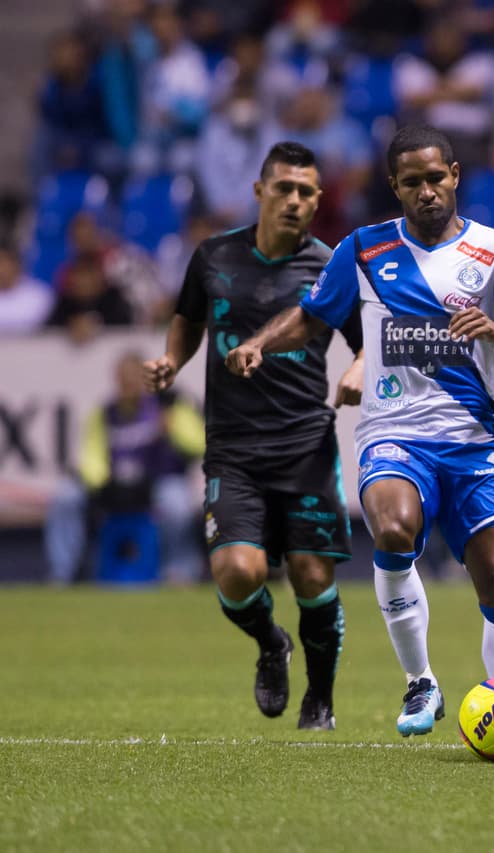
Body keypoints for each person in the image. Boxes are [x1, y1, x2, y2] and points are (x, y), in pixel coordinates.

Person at [225, 125, 494, 738]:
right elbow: (309, 316)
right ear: (395, 187)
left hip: (472, 439)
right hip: (393, 431)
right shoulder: (364, 249)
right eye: (412, 183)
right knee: (394, 527)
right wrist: (259, 343)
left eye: (436, 178)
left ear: (455, 175)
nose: (427, 191)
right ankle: (420, 682)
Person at [143, 141, 363, 731]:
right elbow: (189, 317)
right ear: (260, 190)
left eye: (306, 192)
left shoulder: (331, 264)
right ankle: (271, 641)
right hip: (234, 449)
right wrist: (172, 358)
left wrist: (357, 368)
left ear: (318, 201)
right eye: (284, 188)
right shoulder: (214, 255)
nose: (294, 200)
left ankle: (321, 699)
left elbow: (367, 341)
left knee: (313, 576)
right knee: (239, 574)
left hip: (305, 444)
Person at [44, 350, 205, 585]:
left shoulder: (168, 405)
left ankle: (180, 571)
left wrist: (173, 429)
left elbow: (199, 443)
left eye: (134, 377)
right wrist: (103, 483)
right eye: (123, 377)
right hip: (114, 485)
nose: (128, 383)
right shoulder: (104, 412)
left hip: (158, 481)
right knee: (65, 497)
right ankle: (62, 573)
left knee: (177, 505)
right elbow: (92, 455)